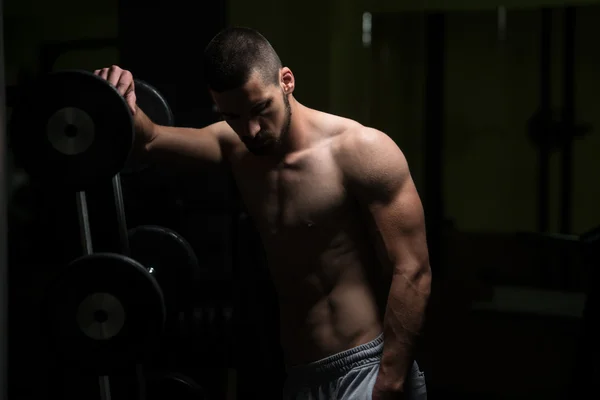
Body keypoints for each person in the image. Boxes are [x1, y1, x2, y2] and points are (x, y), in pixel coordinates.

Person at [95, 27, 431, 400]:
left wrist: (391, 380)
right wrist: (116, 96)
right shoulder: (237, 149)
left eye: (260, 109)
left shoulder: (360, 150)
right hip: (301, 376)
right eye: (233, 116)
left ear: (286, 81)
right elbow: (151, 139)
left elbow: (412, 268)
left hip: (368, 370)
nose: (250, 130)